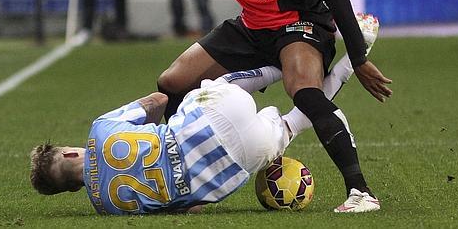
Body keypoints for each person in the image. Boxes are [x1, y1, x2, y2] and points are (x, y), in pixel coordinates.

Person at [138, 0, 392, 213]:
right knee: (171, 82)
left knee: (304, 92)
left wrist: (359, 59)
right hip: (251, 25)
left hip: (299, 25)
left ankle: (360, 192)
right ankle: (190, 181)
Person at [29, 26, 376, 214]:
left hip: (238, 161)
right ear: (71, 153)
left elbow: (189, 208)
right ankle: (284, 65)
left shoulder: (106, 205)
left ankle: (346, 66)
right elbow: (159, 99)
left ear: (73, 187)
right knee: (218, 85)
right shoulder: (99, 131)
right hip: (216, 114)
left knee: (293, 124)